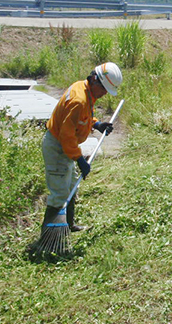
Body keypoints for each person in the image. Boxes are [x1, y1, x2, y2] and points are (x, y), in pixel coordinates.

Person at [41, 62, 122, 232]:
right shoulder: (79, 99)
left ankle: (68, 226)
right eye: (104, 89)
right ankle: (48, 239)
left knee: (70, 187)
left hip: (66, 147)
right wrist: (79, 159)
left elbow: (80, 119)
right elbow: (66, 135)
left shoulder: (84, 90)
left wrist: (97, 124)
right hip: (58, 148)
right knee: (59, 194)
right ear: (94, 79)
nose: (105, 93)